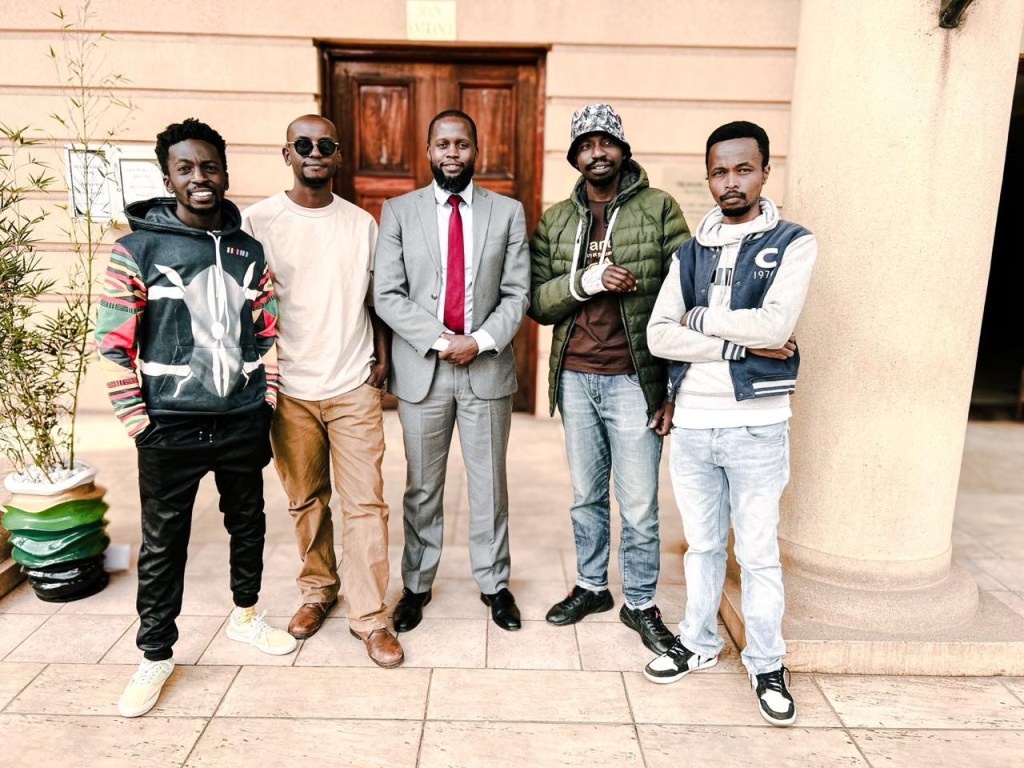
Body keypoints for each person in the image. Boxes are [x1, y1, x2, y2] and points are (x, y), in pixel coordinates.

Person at [95, 118, 295, 719]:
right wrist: (139, 422)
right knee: (163, 544)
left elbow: (267, 330)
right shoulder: (137, 249)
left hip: (240, 417)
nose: (199, 178)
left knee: (250, 522)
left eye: (209, 167)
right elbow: (112, 341)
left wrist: (267, 399)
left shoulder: (247, 250)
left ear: (225, 174)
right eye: (186, 168)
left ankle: (247, 617)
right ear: (168, 178)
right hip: (168, 425)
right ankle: (155, 654)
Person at [643, 121, 817, 727]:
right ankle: (698, 643)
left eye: (743, 169)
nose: (730, 182)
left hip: (758, 425)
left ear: (766, 171)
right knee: (703, 546)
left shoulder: (792, 242)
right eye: (719, 171)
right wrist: (733, 341)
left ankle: (767, 661)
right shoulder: (689, 252)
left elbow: (777, 328)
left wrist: (700, 321)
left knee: (761, 552)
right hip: (692, 423)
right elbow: (659, 335)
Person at [241, 115, 402, 668]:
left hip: (352, 382)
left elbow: (378, 297)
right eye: (303, 144)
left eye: (325, 144)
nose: (314, 152)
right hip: (289, 387)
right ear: (286, 152)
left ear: (338, 154)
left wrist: (382, 358)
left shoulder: (361, 224)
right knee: (306, 498)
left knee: (365, 505)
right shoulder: (257, 221)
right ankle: (318, 589)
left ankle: (371, 617)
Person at [528, 103, 689, 653]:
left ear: (623, 148)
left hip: (632, 377)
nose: (597, 153)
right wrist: (588, 280)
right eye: (586, 144)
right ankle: (593, 586)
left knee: (640, 501)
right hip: (576, 376)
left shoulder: (659, 208)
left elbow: (684, 296)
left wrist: (672, 387)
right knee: (585, 495)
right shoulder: (555, 219)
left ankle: (640, 601)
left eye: (606, 142)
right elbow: (538, 303)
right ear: (575, 155)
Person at [373, 109, 530, 633]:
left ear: (475, 151)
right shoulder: (397, 211)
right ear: (428, 150)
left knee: (490, 485)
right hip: (425, 370)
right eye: (443, 143)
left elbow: (516, 293)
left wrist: (478, 341)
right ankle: (416, 585)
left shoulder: (507, 212)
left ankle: (494, 584)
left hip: (486, 368)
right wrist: (443, 342)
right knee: (422, 486)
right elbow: (388, 295)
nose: (452, 153)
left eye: (462, 144)